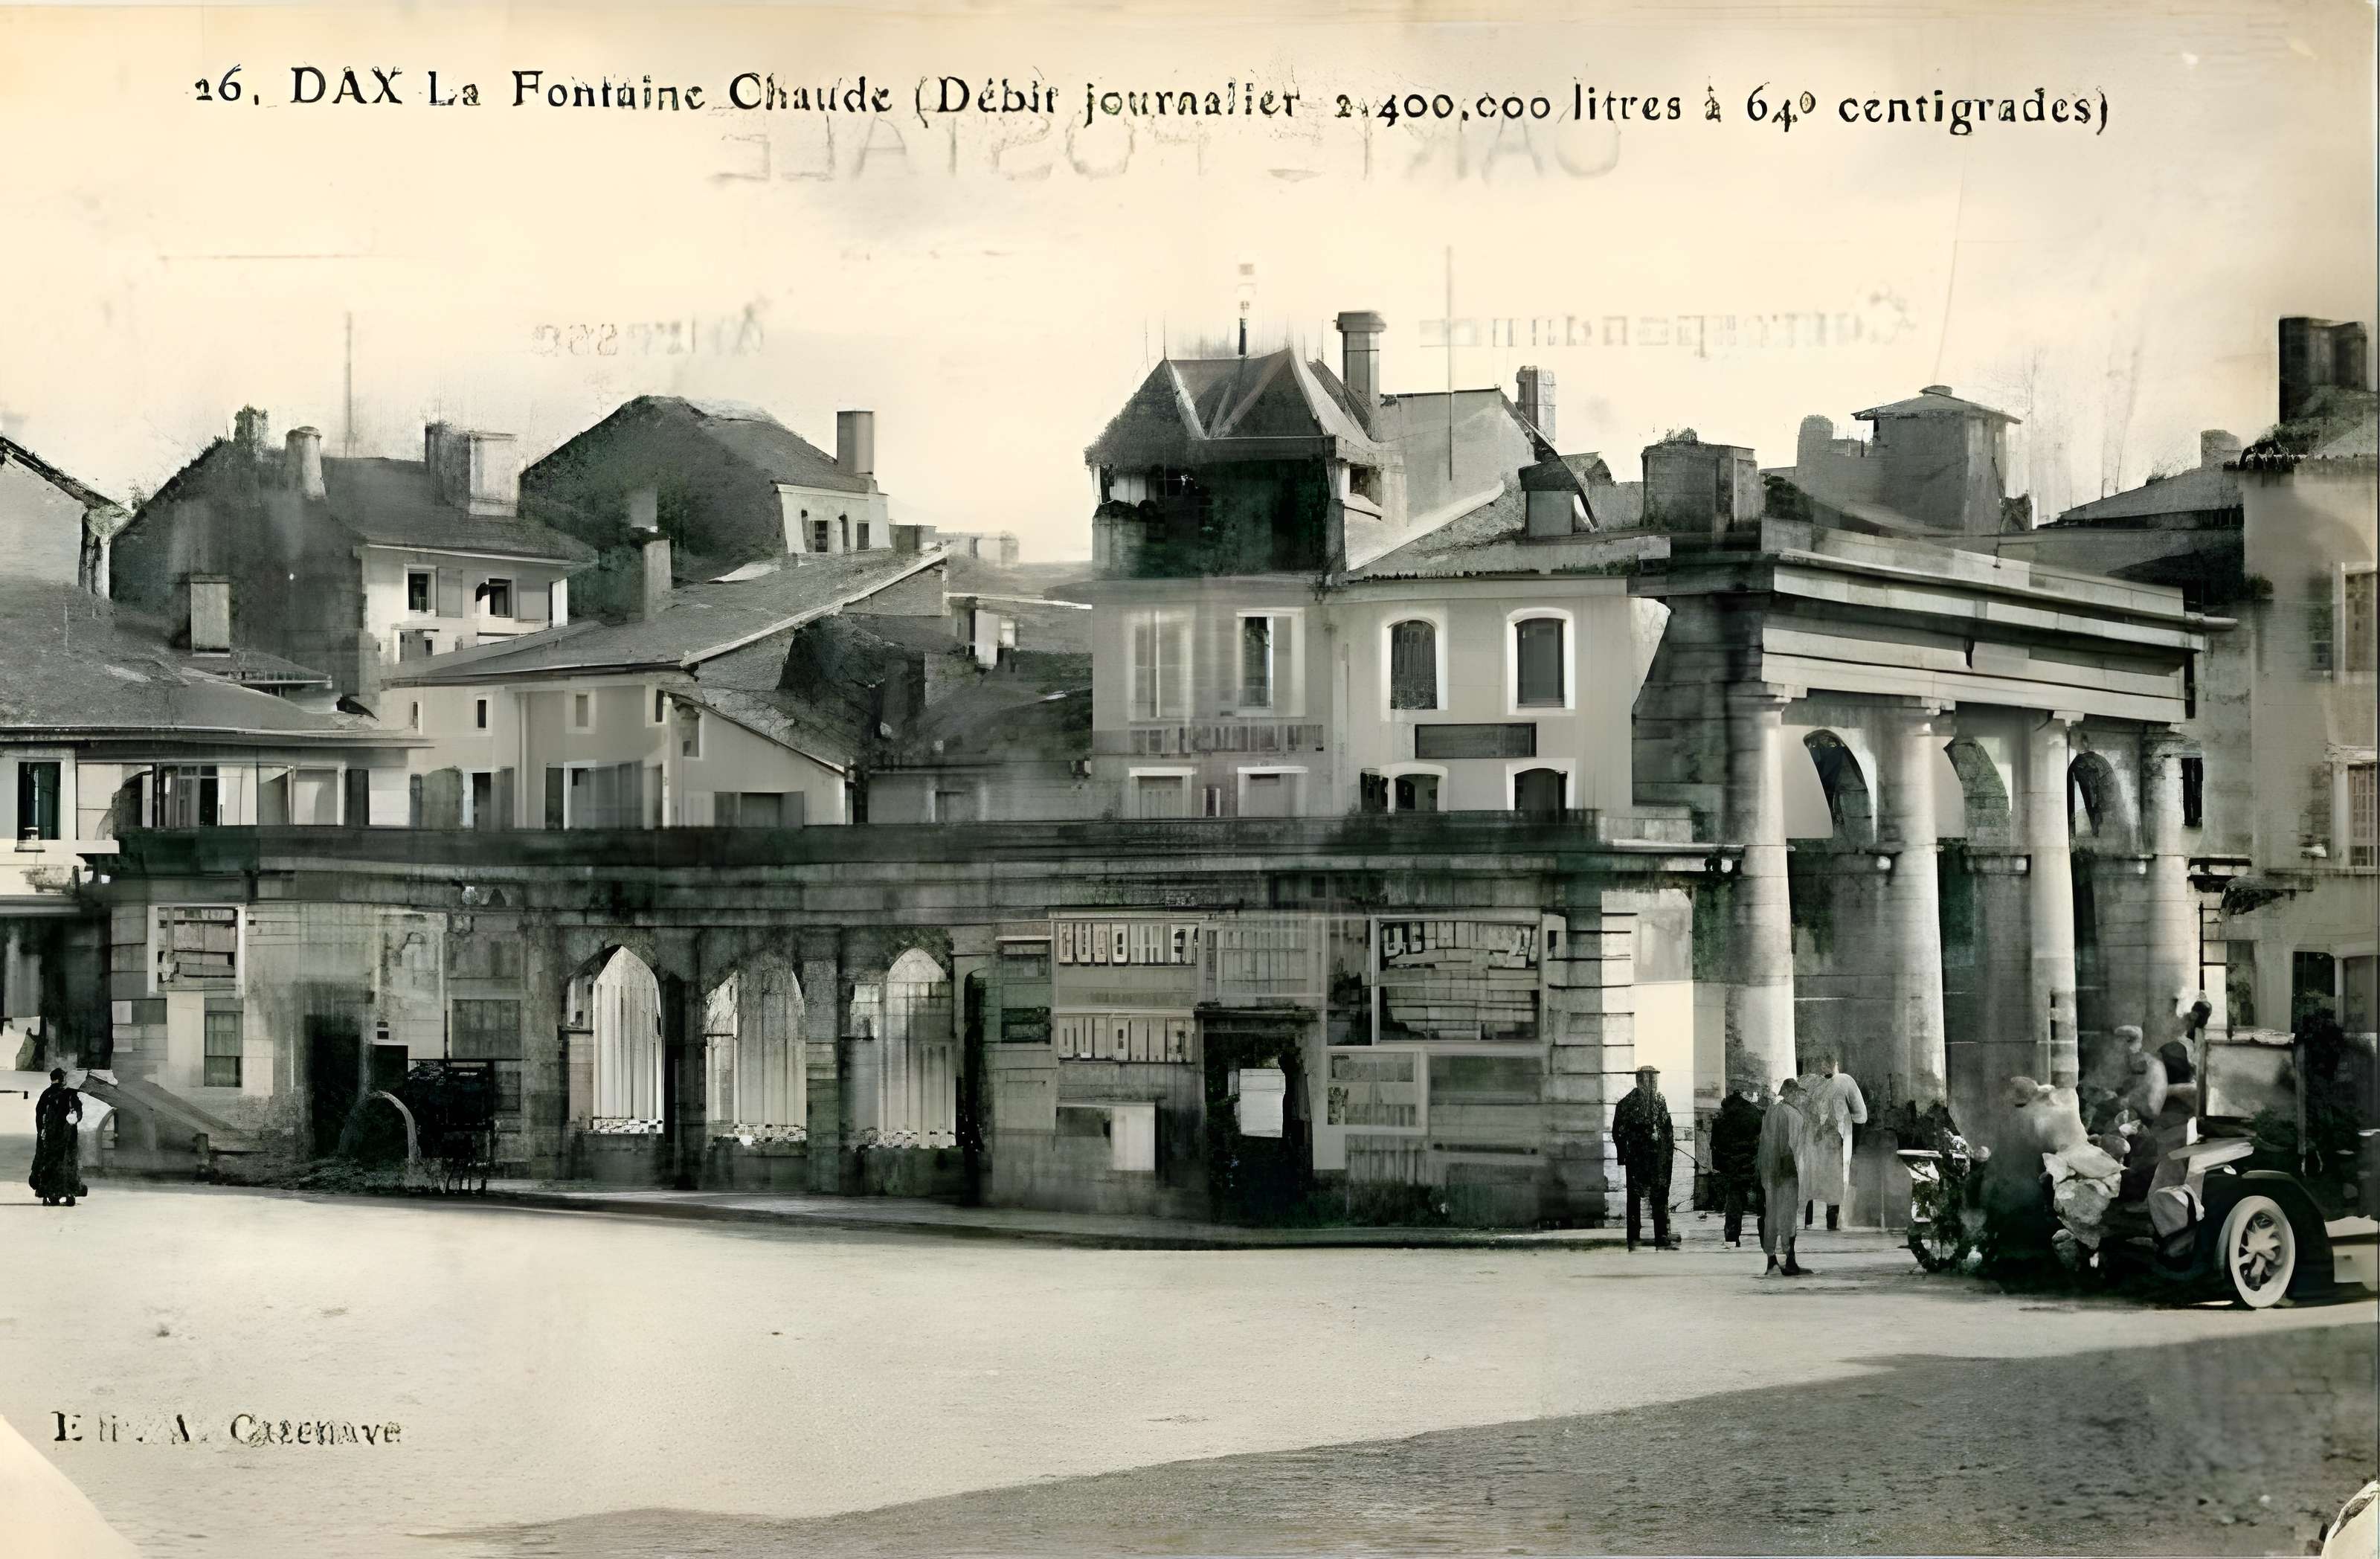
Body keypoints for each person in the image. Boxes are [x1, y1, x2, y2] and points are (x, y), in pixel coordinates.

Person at [1611, 1064, 1677, 1250]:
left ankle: (1662, 1235)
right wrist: (1623, 1154)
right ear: (1639, 1080)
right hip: (1637, 1157)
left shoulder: (1660, 1101)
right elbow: (1618, 1132)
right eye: (1646, 1078)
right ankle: (1633, 1235)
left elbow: (1667, 1130)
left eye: (1652, 1078)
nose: (1649, 1082)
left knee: (1660, 1195)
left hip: (1658, 1159)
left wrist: (1667, 1152)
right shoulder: (1627, 1103)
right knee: (1634, 1197)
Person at [1799, 1051, 1867, 1231]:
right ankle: (1831, 1222)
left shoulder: (1807, 1083)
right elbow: (1861, 1115)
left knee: (1810, 1180)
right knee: (1834, 1180)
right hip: (1834, 1139)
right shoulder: (1844, 1081)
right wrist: (1854, 1143)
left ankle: (1807, 1221)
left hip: (1812, 1140)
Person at [1757, 1078, 1810, 1276]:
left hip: (1770, 1174)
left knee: (1772, 1215)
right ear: (1790, 1093)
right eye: (1797, 1094)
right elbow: (1794, 1148)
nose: (1799, 1097)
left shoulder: (1771, 1112)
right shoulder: (1792, 1114)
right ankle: (1789, 1261)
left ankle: (1772, 1260)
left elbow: (1764, 1145)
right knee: (1788, 1218)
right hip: (1788, 1173)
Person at [1709, 1081, 1765, 1247]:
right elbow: (1761, 1136)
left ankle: (1732, 1236)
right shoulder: (1754, 1113)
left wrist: (1720, 1163)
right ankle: (1765, 1235)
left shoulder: (1723, 1116)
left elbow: (1716, 1142)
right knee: (1762, 1200)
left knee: (1734, 1199)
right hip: (1752, 1161)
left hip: (1732, 1164)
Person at [29, 1068, 86, 1207]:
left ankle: (55, 1195)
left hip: (54, 1136)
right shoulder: (68, 1094)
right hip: (64, 1137)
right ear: (62, 1079)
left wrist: (41, 1131)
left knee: (54, 1165)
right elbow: (78, 1110)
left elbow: (39, 1115)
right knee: (67, 1165)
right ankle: (68, 1195)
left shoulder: (48, 1095)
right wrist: (75, 1117)